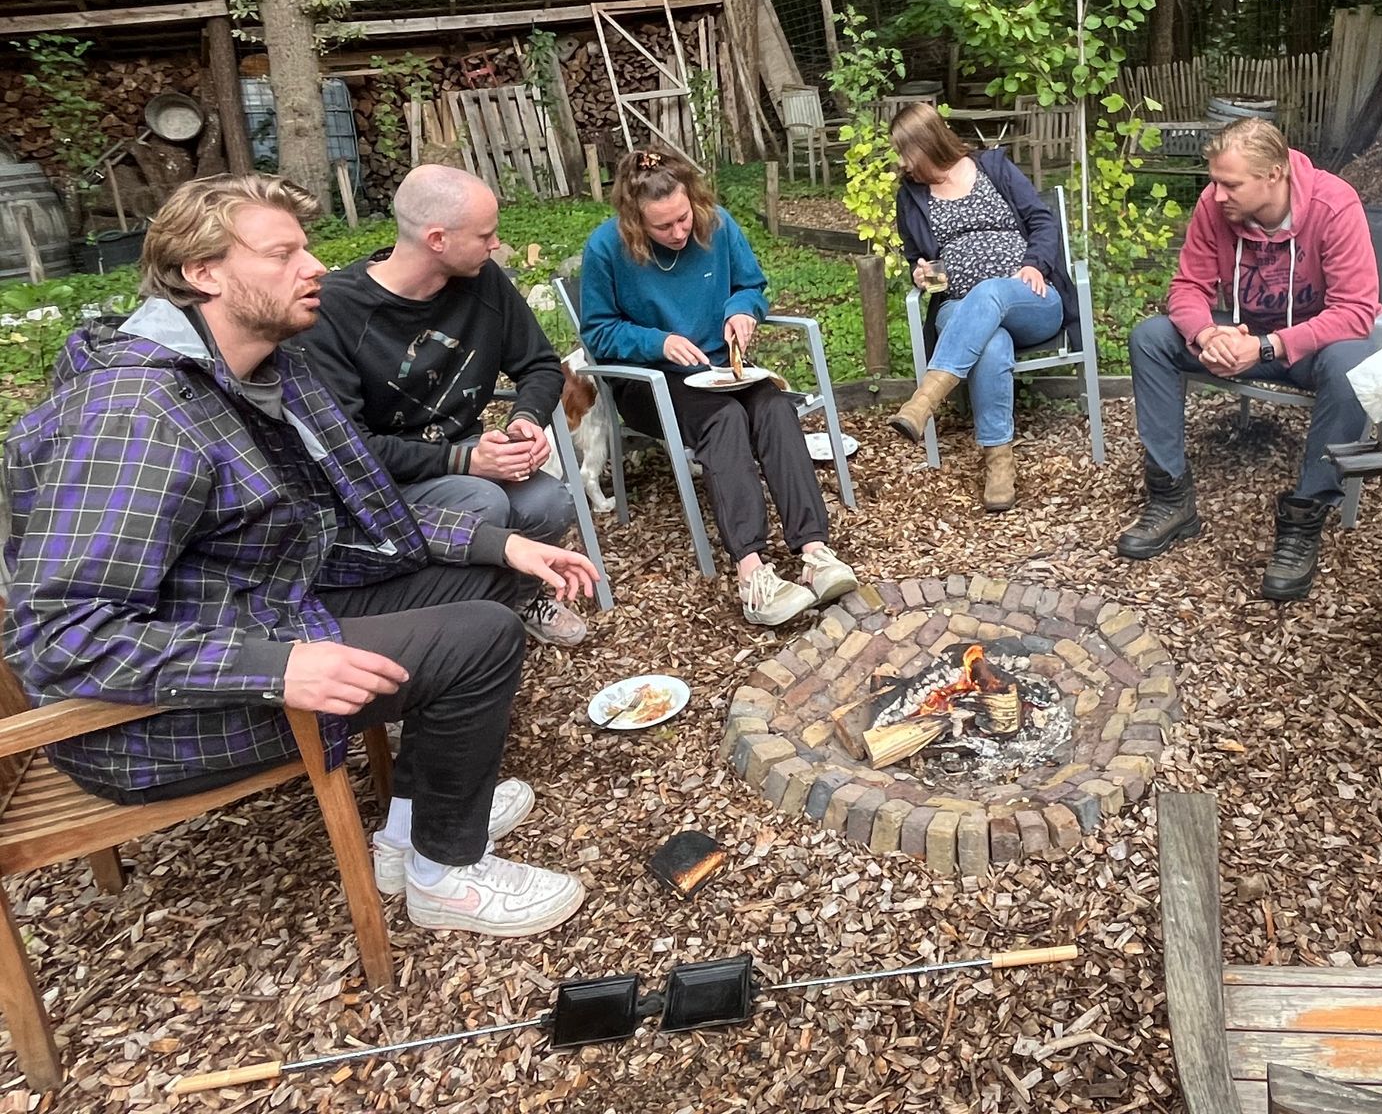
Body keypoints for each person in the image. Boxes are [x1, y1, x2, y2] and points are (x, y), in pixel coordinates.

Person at [2, 174, 598, 938]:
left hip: (264, 612)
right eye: (283, 253)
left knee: (483, 576)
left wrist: (497, 542)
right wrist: (277, 668)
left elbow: (330, 528)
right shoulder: (135, 414)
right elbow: (59, 638)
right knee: (480, 641)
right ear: (202, 272)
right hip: (151, 716)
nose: (315, 266)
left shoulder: (262, 378)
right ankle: (446, 873)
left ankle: (412, 828)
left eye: (306, 248)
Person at [294, 165, 586, 648]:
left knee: (549, 500)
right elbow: (351, 451)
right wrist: (467, 460)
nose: (497, 245)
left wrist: (524, 421)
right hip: (382, 482)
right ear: (437, 239)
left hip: (463, 454)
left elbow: (538, 364)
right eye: (486, 235)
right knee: (484, 501)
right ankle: (450, 622)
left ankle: (513, 596)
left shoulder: (483, 281)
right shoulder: (336, 315)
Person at [578, 147, 859, 627]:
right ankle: (752, 572)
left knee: (773, 407)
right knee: (724, 420)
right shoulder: (606, 248)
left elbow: (751, 285)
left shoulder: (719, 224)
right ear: (633, 220)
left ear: (695, 201)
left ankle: (814, 552)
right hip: (651, 382)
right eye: (662, 226)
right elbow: (598, 332)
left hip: (723, 370)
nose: (678, 232)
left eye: (683, 218)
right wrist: (657, 341)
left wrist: (745, 309)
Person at [1115, 118, 1381, 602]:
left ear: (1274, 175)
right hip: (1238, 336)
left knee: (1352, 365)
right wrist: (1207, 332)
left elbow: (1357, 312)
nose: (1216, 195)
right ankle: (1171, 496)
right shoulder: (1214, 206)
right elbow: (1187, 287)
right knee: (1151, 337)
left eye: (1229, 183)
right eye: (1213, 180)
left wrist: (1267, 345)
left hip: (1308, 347)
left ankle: (1304, 518)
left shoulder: (1333, 204)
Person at [888, 103, 1079, 511]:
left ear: (928, 143)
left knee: (990, 291)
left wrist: (1034, 264)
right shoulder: (911, 195)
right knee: (990, 341)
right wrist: (921, 276)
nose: (903, 162)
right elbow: (918, 259)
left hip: (1028, 297)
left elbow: (1043, 222)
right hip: (956, 307)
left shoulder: (994, 167)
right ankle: (999, 463)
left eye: (907, 151)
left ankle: (924, 400)